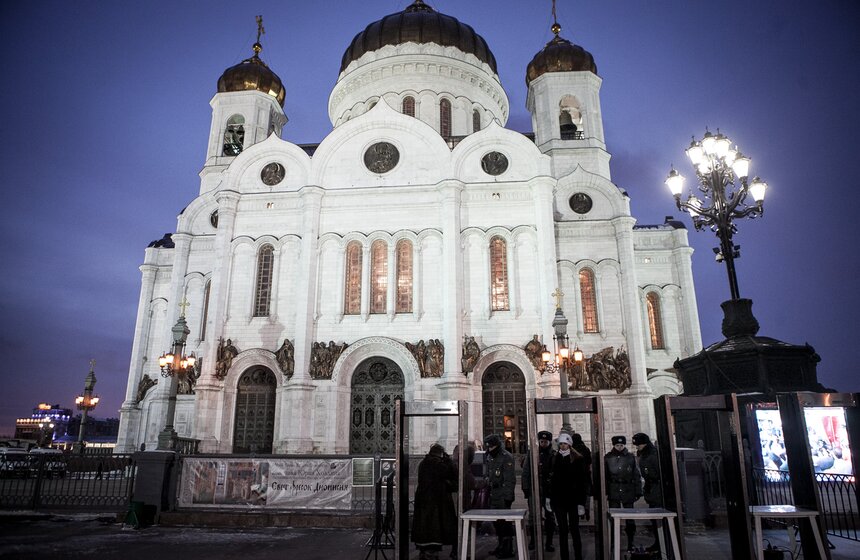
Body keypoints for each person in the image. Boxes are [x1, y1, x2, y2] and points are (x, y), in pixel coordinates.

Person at [412, 443, 458, 560]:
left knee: (424, 527)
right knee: (434, 529)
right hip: (435, 502)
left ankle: (424, 551)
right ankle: (430, 553)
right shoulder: (438, 464)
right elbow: (452, 474)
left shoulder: (423, 463)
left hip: (423, 501)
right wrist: (449, 461)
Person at [548, 432, 589, 560]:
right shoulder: (554, 458)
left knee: (575, 530)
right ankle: (564, 557)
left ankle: (578, 556)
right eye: (561, 444)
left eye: (565, 443)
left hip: (573, 500)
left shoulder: (578, 459)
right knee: (562, 531)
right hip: (559, 500)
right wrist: (549, 498)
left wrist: (582, 503)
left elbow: (583, 482)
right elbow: (551, 480)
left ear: (570, 444)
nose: (563, 446)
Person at [604, 435, 641, 550]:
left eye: (621, 445)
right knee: (613, 517)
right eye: (617, 445)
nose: (619, 447)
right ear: (614, 445)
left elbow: (636, 474)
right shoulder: (608, 458)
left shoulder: (630, 457)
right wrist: (605, 491)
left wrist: (638, 491)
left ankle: (631, 541)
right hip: (614, 489)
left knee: (630, 518)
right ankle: (614, 541)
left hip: (627, 489)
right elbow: (605, 475)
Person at [522, 430, 556, 552]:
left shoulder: (553, 454)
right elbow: (526, 471)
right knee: (533, 517)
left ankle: (549, 542)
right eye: (541, 441)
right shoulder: (532, 454)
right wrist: (526, 489)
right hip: (534, 490)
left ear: (549, 442)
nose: (543, 443)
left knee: (550, 516)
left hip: (548, 492)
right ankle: (534, 541)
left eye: (545, 441)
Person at [484, 433, 516, 558]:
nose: (489, 449)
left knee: (505, 523)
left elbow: (509, 479)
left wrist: (508, 497)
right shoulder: (490, 457)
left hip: (502, 494)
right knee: (497, 522)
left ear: (496, 445)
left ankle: (508, 548)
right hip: (494, 494)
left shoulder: (506, 457)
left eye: (491, 447)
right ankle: (501, 544)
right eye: (488, 447)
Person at [633, 432, 662, 552]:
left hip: (656, 490)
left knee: (658, 518)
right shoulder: (645, 454)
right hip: (651, 490)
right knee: (654, 519)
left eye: (638, 444)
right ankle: (659, 543)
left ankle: (661, 544)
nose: (636, 447)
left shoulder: (652, 455)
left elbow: (656, 473)